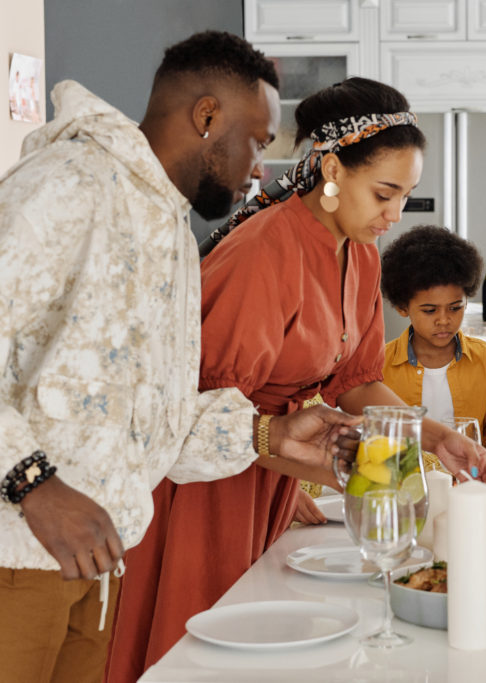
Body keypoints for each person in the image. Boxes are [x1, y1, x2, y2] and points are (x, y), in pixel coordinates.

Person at [106, 78, 486, 683]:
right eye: (385, 193)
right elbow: (208, 414)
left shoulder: (360, 253)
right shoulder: (265, 252)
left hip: (273, 472)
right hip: (207, 485)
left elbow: (357, 384)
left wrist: (433, 435)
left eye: (407, 195)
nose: (395, 215)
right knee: (208, 653)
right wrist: (301, 464)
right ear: (334, 169)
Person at [0, 31, 357, 683]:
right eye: (257, 141)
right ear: (207, 116)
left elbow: (149, 417)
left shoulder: (166, 223)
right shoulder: (68, 182)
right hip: (16, 556)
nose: (261, 169)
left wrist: (268, 433)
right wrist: (34, 484)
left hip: (95, 565)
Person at [380, 225, 486, 451]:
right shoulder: (380, 366)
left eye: (455, 308)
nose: (444, 320)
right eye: (430, 310)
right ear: (402, 307)